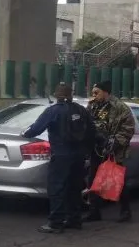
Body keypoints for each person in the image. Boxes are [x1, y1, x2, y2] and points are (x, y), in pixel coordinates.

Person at [22, 83, 94, 234]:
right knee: (74, 187)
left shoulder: (52, 111)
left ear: (57, 95)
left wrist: (25, 134)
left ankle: (56, 223)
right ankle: (74, 220)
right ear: (71, 94)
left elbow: (35, 130)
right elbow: (91, 131)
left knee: (57, 188)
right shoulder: (81, 110)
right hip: (79, 156)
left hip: (61, 155)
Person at [85, 81, 135, 223]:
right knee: (93, 180)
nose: (94, 95)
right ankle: (94, 211)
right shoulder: (92, 106)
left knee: (118, 181)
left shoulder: (120, 107)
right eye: (93, 92)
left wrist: (115, 142)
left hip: (113, 150)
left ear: (106, 92)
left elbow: (128, 128)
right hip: (96, 149)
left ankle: (125, 211)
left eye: (97, 92)